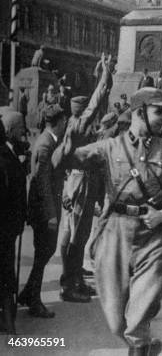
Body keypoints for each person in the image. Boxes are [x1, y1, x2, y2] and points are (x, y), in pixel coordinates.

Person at [53, 87, 162, 355]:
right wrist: (68, 141)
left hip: (156, 236)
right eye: (159, 111)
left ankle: (140, 344)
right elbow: (63, 161)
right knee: (116, 321)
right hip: (116, 231)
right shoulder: (109, 147)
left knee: (137, 319)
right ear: (139, 112)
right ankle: (142, 345)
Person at [58, 66, 111, 303]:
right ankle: (69, 286)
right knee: (77, 237)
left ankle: (76, 279)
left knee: (79, 234)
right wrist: (103, 77)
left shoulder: (76, 127)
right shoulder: (78, 125)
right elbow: (95, 105)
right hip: (81, 184)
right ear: (82, 112)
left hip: (81, 182)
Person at [18, 104, 67, 318]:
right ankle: (34, 301)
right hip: (44, 210)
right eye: (64, 122)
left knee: (44, 252)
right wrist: (51, 215)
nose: (66, 125)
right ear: (59, 122)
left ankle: (28, 292)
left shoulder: (48, 141)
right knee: (43, 252)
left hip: (45, 208)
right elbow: (42, 183)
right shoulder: (46, 144)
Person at [0, 112, 28, 334]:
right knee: (6, 273)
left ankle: (8, 320)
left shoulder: (8, 156)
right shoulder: (7, 158)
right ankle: (8, 320)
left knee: (5, 272)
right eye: (20, 130)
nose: (24, 134)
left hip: (6, 228)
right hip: (7, 229)